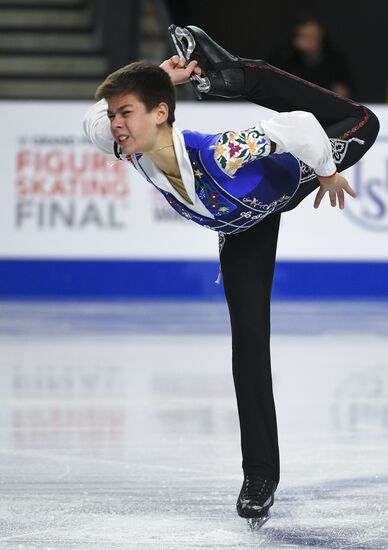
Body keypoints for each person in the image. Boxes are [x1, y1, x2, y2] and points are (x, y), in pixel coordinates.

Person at [83, 25, 379, 528]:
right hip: (243, 229)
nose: (115, 124)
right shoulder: (128, 146)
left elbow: (300, 126)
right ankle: (260, 478)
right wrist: (159, 78)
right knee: (248, 347)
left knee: (363, 121)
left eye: (125, 113)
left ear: (160, 114)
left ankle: (238, 76)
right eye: (115, 116)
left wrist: (327, 170)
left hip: (291, 179)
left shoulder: (221, 151)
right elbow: (92, 117)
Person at [269, 15, 354, 98]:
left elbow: (347, 90)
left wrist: (342, 92)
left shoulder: (336, 59)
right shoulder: (285, 56)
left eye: (313, 36)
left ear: (321, 34)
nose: (310, 41)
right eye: (305, 37)